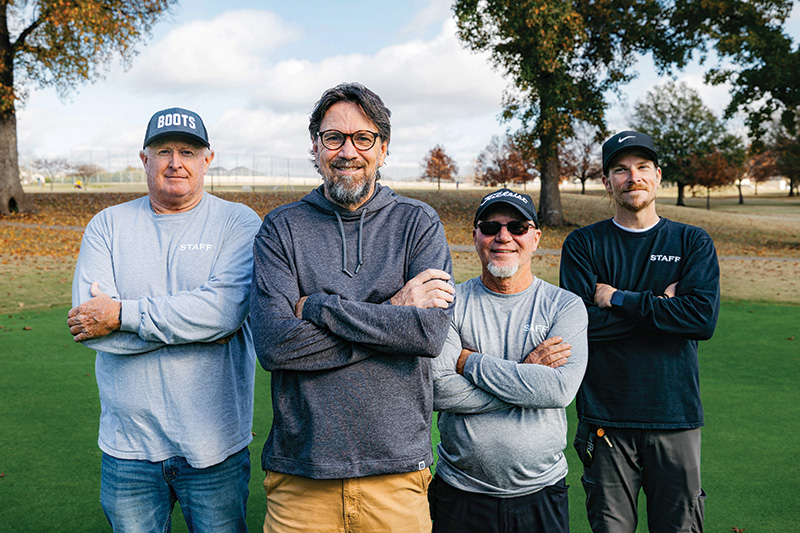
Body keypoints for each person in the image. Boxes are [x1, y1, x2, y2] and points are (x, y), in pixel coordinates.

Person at [249, 82, 455, 533]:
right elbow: (275, 345)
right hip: (300, 475)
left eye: (363, 138)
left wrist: (318, 307)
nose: (348, 151)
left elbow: (427, 335)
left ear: (382, 148)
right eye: (333, 137)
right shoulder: (281, 228)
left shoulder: (417, 223)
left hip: (397, 472)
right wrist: (394, 312)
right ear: (316, 147)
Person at [68, 107, 261, 532]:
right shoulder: (107, 226)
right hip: (128, 449)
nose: (176, 162)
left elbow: (225, 312)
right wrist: (197, 329)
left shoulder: (239, 222)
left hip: (214, 449)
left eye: (188, 151)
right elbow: (91, 328)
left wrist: (121, 314)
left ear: (207, 160)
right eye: (164, 150)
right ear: (144, 159)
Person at [559, 130, 721, 532]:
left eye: (643, 167)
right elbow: (579, 326)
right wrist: (662, 307)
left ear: (658, 175)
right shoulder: (583, 244)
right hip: (606, 418)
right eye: (621, 169)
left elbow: (700, 320)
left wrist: (619, 299)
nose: (634, 177)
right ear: (607, 181)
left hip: (675, 416)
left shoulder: (692, 241)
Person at [430, 189, 588, 533]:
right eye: (490, 227)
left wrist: (469, 363)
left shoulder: (565, 306)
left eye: (517, 226)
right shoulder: (448, 302)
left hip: (542, 493)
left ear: (535, 238)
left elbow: (559, 391)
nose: (503, 237)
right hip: (460, 493)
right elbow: (440, 391)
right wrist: (529, 378)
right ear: (475, 237)